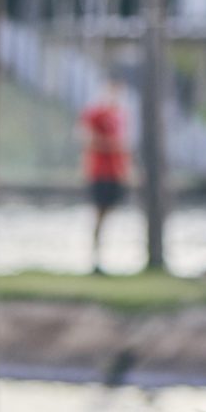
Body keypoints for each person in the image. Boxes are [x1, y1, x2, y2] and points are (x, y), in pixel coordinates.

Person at [79, 79, 132, 271]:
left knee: (109, 214)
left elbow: (123, 147)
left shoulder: (120, 116)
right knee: (99, 214)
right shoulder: (95, 114)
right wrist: (112, 145)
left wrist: (125, 170)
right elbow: (87, 139)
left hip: (115, 173)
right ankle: (95, 260)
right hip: (100, 172)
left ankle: (104, 258)